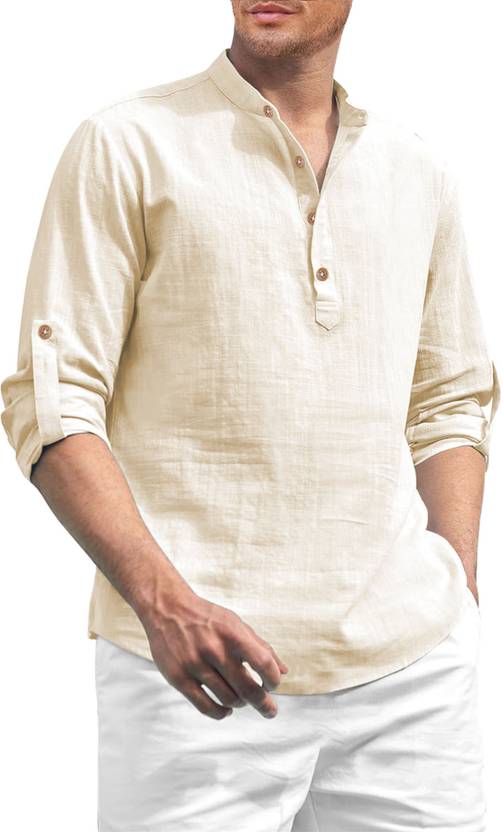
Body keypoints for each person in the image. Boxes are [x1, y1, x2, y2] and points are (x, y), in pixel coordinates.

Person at [1, 1, 499, 829]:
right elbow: (51, 401)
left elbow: (448, 396)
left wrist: (456, 591)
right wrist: (165, 606)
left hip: (410, 679)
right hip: (193, 678)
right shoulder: (129, 144)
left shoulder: (416, 170)